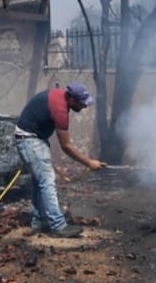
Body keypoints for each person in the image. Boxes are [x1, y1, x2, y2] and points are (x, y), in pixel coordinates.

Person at [15, 82, 105, 237]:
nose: (84, 107)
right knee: (47, 181)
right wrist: (89, 163)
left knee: (39, 181)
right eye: (82, 104)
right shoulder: (60, 110)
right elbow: (66, 146)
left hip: (31, 137)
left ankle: (39, 221)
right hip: (29, 140)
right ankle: (58, 226)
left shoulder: (62, 98)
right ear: (71, 100)